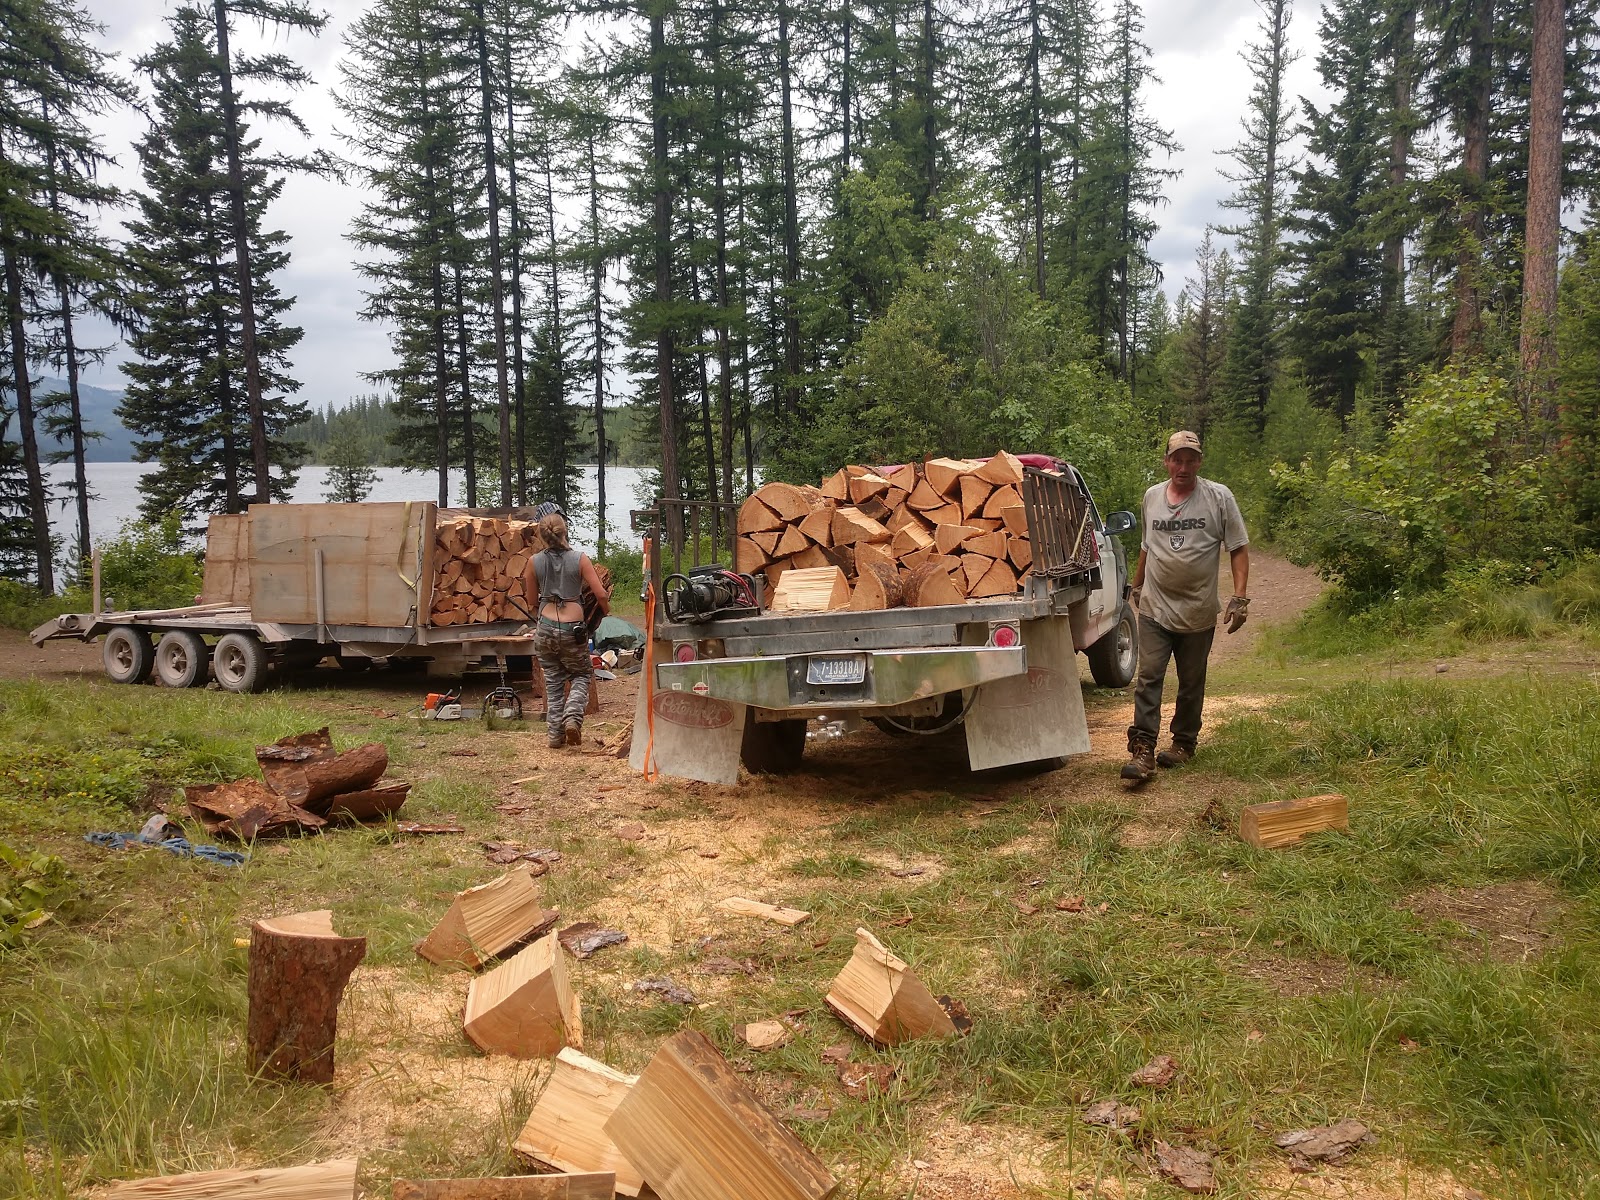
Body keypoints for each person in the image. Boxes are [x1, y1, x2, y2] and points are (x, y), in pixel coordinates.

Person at [1122, 430, 1250, 784]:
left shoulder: (1218, 497)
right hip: (1155, 609)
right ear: (1166, 461)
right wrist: (1137, 585)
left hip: (1198, 610)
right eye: (1176, 459)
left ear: (1199, 462)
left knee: (1191, 681)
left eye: (1190, 459)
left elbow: (1238, 547)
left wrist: (1239, 598)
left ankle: (1183, 743)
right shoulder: (1151, 498)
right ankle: (1143, 749)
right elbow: (1148, 546)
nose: (1183, 466)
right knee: (1149, 677)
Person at [525, 511, 611, 749]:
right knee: (582, 675)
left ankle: (555, 736)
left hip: (545, 627)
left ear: (542, 536)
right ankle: (573, 717)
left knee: (553, 682)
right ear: (565, 531)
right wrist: (605, 609)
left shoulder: (533, 562)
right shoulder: (580, 559)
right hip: (573, 630)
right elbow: (600, 593)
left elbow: (532, 600)